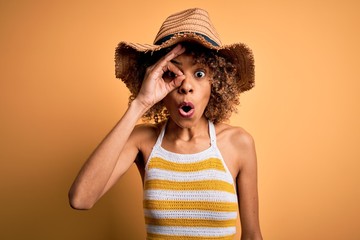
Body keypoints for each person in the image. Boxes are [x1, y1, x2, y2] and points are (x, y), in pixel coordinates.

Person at [69, 8, 263, 240]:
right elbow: (81, 199)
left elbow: (252, 236)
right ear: (157, 77)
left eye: (199, 73)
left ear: (216, 82)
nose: (186, 86)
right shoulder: (143, 141)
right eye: (173, 73)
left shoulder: (238, 143)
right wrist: (140, 102)